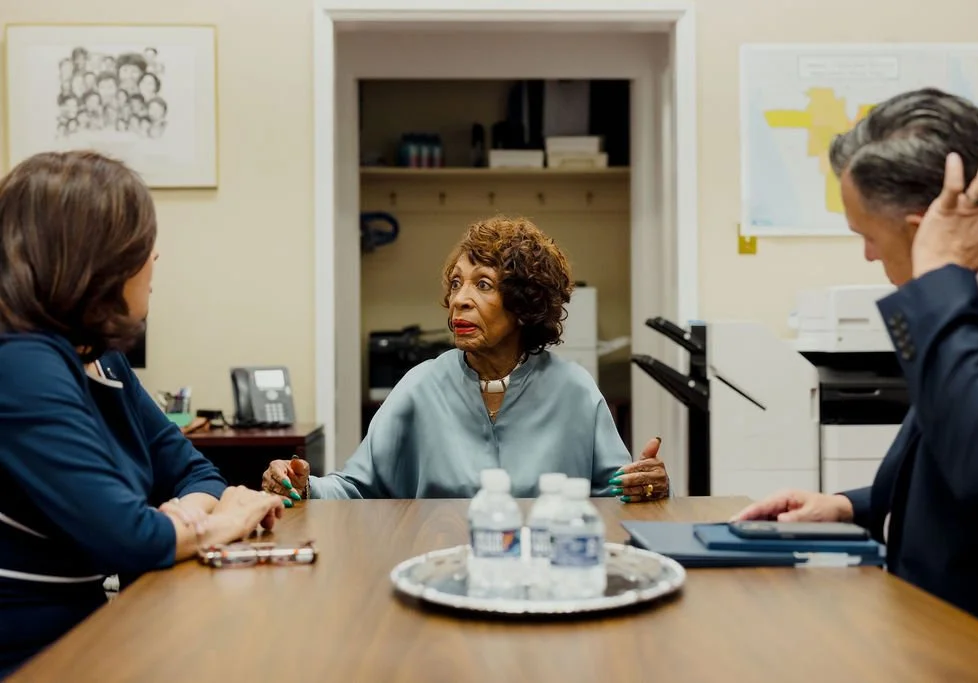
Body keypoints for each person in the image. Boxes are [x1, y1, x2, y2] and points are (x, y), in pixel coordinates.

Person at [734, 88, 978, 639]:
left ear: (921, 229)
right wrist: (846, 505)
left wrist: (940, 276)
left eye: (867, 235)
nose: (868, 255)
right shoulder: (976, 293)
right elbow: (953, 450)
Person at [0, 151, 284, 677]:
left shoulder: (100, 357)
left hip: (93, 631)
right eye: (143, 246)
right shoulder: (19, 364)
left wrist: (185, 518)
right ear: (98, 260)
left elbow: (196, 473)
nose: (155, 260)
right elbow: (125, 538)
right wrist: (222, 523)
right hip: (31, 655)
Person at [263, 216, 669, 501]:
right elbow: (356, 487)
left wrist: (646, 485)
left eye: (483, 284)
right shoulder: (420, 386)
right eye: (456, 283)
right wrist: (304, 485)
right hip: (437, 570)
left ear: (523, 304)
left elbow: (615, 495)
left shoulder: (575, 390)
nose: (459, 299)